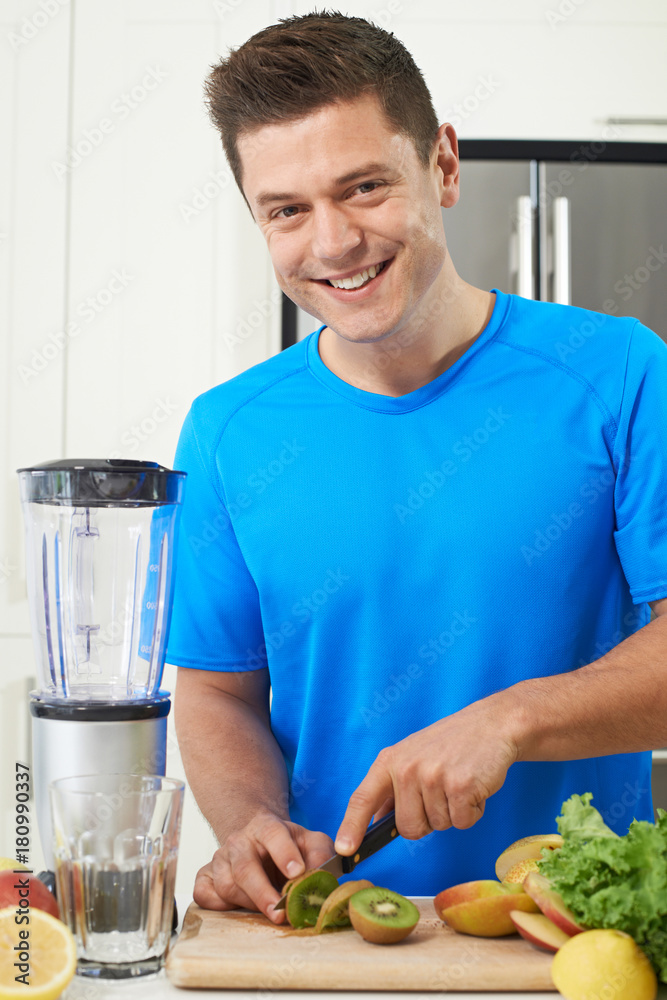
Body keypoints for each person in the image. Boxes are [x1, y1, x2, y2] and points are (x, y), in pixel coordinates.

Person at [166, 11, 667, 924]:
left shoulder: (625, 376)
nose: (331, 243)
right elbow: (215, 691)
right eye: (286, 210)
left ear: (440, 164)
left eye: (362, 187)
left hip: (568, 943)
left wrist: (507, 721)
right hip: (327, 938)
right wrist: (250, 826)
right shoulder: (225, 433)